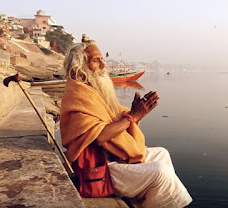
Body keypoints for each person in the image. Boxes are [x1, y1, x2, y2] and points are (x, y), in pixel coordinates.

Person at [60, 36, 192, 208]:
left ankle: (149, 202)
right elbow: (100, 136)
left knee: (162, 153)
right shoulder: (78, 95)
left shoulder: (92, 90)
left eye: (102, 60)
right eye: (96, 61)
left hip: (112, 157)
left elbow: (115, 117)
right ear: (80, 68)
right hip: (98, 169)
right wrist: (133, 117)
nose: (103, 65)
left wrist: (138, 113)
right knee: (161, 173)